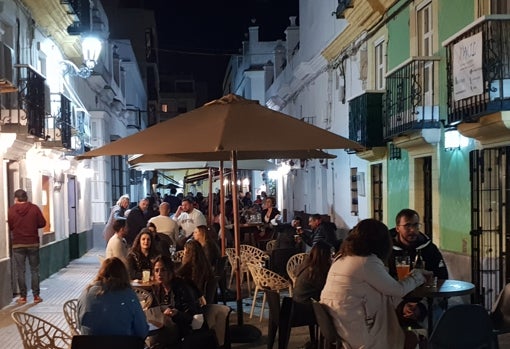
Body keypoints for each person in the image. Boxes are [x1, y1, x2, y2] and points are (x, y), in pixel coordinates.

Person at [320, 219, 431, 349]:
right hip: (360, 335)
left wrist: (402, 305)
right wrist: (418, 275)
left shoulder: (342, 258)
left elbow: (380, 289)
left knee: (406, 333)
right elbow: (398, 289)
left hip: (343, 328)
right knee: (413, 337)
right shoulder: (365, 262)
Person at [77, 257, 148, 338]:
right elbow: (142, 331)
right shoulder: (129, 296)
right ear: (124, 275)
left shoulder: (86, 294)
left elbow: (80, 325)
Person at [148, 255, 203, 348]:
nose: (159, 274)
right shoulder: (157, 289)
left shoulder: (182, 287)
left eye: (163, 270)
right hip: (163, 328)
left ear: (170, 271)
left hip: (182, 329)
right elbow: (152, 311)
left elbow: (191, 315)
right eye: (156, 270)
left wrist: (176, 314)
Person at [291, 240, 333, 348]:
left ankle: (319, 342)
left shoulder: (306, 264)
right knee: (330, 314)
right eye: (329, 255)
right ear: (325, 256)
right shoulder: (316, 271)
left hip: (296, 304)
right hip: (305, 309)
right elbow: (326, 288)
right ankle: (328, 342)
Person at [8, 189, 46, 304]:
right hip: (33, 243)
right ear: (26, 198)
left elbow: (11, 226)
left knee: (20, 270)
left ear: (16, 199)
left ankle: (23, 297)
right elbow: (42, 223)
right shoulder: (34, 208)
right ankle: (36, 296)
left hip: (18, 243)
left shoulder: (11, 210)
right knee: (34, 270)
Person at [388, 208, 448, 280]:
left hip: (424, 290)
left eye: (416, 225)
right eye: (407, 225)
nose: (412, 230)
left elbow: (442, 276)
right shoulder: (386, 248)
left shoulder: (429, 248)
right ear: (397, 228)